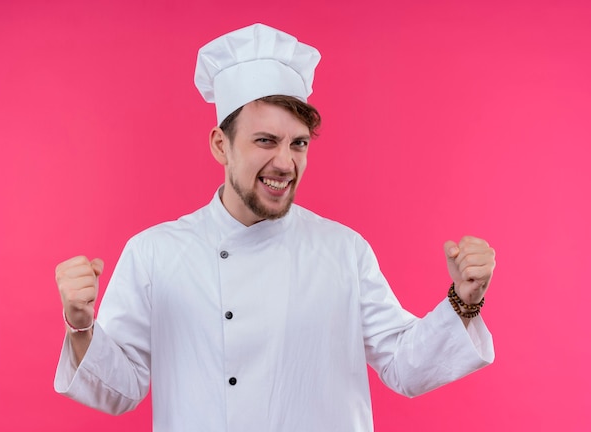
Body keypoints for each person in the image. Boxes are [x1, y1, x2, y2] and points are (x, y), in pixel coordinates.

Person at [54, 23, 496, 431]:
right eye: (265, 140)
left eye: (298, 144)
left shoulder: (343, 251)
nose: (285, 163)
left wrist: (464, 300)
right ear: (220, 145)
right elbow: (121, 390)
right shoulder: (154, 253)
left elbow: (405, 368)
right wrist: (81, 327)